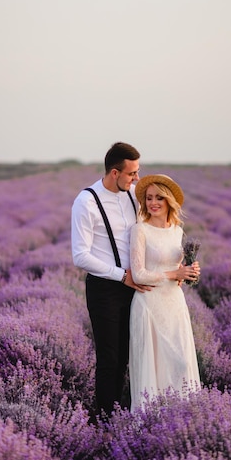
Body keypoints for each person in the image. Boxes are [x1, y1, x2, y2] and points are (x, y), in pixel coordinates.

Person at [71, 142, 149, 418]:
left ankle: (121, 413)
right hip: (104, 288)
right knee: (109, 359)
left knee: (128, 357)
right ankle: (104, 420)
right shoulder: (86, 201)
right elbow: (80, 256)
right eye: (132, 173)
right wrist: (121, 276)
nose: (137, 178)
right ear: (115, 173)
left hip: (134, 286)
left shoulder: (131, 197)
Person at [129, 174, 201, 411]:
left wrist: (188, 271)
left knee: (179, 363)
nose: (153, 203)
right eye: (149, 198)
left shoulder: (178, 231)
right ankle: (150, 423)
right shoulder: (140, 230)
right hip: (149, 303)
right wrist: (173, 274)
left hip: (173, 304)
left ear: (169, 200)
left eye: (159, 197)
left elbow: (178, 268)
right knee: (154, 365)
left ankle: (181, 418)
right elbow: (138, 274)